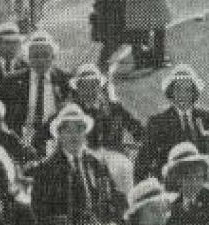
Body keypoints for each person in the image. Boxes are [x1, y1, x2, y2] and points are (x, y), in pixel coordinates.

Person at [31, 102, 125, 225]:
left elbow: (113, 198)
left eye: (79, 129)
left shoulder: (96, 164)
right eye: (68, 130)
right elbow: (40, 214)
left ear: (85, 134)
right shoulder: (46, 169)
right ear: (59, 135)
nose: (74, 136)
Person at [40, 62, 142, 194]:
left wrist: (145, 141)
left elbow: (137, 129)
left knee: (124, 168)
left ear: (100, 87)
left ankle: (124, 206)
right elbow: (43, 133)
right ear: (77, 89)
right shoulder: (70, 110)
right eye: (85, 86)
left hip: (113, 155)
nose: (90, 90)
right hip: (82, 156)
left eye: (94, 85)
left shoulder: (114, 107)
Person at [134, 63, 209, 183]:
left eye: (187, 90)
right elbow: (143, 161)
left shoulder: (206, 118)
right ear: (171, 92)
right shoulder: (158, 122)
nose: (183, 95)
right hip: (172, 185)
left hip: (205, 183)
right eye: (178, 90)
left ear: (194, 93)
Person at [91, 0, 126, 72]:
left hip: (104, 26)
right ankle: (101, 70)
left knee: (107, 50)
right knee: (109, 50)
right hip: (116, 26)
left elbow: (97, 6)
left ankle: (101, 67)